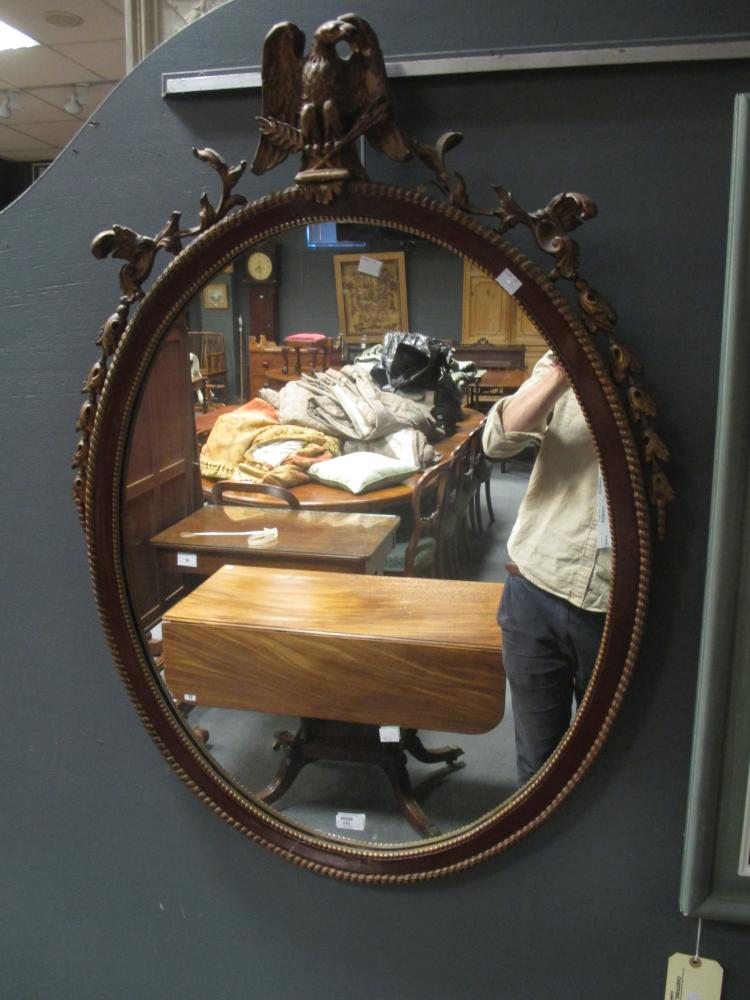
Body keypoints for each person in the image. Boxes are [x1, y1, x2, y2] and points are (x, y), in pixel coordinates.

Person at [482, 350, 611, 785]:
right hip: (535, 584)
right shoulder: (562, 360)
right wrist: (562, 372)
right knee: (536, 768)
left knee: (611, 766)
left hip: (619, 606)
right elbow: (498, 440)